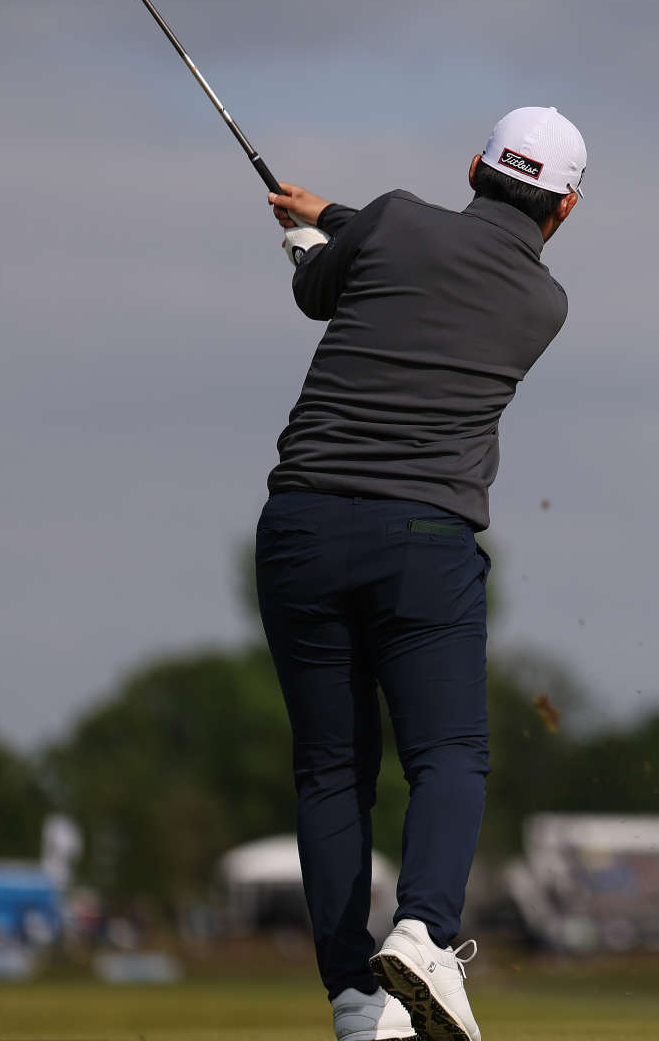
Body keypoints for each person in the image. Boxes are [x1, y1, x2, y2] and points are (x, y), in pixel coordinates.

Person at [256, 107, 585, 1041]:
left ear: (474, 166)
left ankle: (355, 1003)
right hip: (423, 541)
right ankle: (425, 934)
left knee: (330, 771)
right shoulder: (545, 305)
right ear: (564, 211)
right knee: (447, 755)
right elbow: (445, 260)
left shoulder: (394, 218)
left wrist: (317, 233)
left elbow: (321, 289)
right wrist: (340, 222)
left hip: (301, 525)